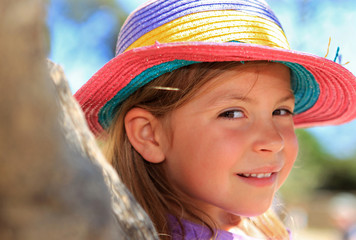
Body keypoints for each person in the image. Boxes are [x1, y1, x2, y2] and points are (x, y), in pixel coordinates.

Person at [74, 0, 356, 239]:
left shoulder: (264, 227)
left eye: (281, 111)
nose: (274, 140)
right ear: (150, 134)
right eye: (232, 113)